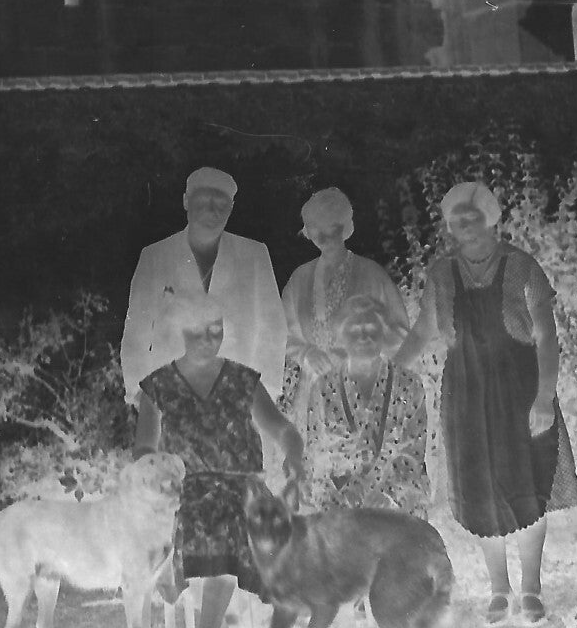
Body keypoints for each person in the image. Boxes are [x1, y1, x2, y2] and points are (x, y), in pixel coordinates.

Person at [393, 180, 577, 624]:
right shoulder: (442, 274)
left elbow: (546, 337)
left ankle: (531, 590)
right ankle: (499, 590)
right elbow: (424, 329)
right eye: (456, 222)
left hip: (519, 390)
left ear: (492, 218)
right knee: (481, 493)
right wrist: (391, 367)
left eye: (473, 219)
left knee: (527, 487)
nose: (465, 228)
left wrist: (544, 398)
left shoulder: (522, 267)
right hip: (466, 394)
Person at [134, 291, 303, 628]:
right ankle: (211, 625)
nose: (209, 340)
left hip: (239, 484)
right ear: (179, 333)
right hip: (183, 486)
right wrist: (155, 476)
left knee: (229, 520)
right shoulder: (157, 386)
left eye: (216, 330)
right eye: (198, 332)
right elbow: (144, 446)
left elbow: (279, 428)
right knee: (196, 520)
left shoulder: (243, 379)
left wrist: (294, 450)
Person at [120, 167, 288, 409]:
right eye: (203, 199)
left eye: (221, 202)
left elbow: (273, 328)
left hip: (239, 396)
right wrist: (138, 393)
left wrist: (268, 391)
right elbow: (136, 330)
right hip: (170, 396)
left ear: (231, 208)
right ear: (186, 201)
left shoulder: (254, 255)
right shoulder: (155, 256)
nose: (212, 209)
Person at [282, 187, 410, 465]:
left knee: (361, 467)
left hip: (361, 383)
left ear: (348, 227)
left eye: (333, 228)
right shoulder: (299, 278)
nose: (326, 237)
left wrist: (355, 353)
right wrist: (305, 353)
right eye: (317, 230)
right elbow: (281, 332)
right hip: (313, 387)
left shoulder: (371, 273)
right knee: (314, 469)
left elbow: (399, 331)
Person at [304, 293, 430, 517]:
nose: (364, 336)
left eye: (371, 327)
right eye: (355, 330)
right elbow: (315, 450)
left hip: (396, 496)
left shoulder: (409, 385)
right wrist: (342, 492)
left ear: (383, 332)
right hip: (339, 495)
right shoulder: (323, 388)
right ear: (340, 336)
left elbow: (412, 450)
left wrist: (387, 493)